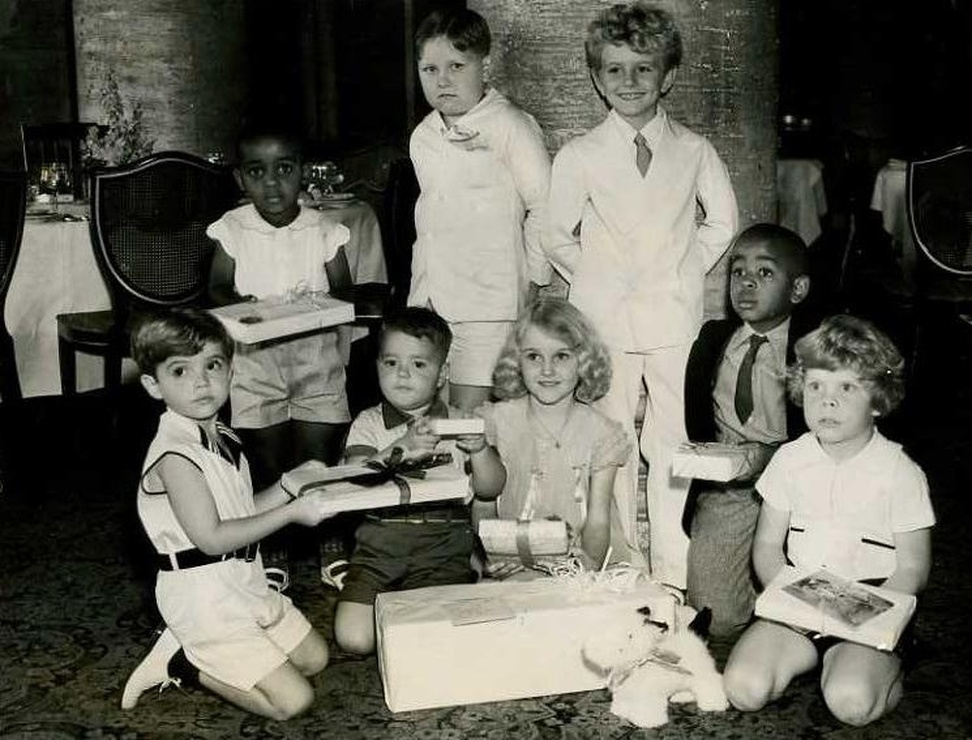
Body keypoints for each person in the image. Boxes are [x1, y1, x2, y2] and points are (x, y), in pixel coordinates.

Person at [544, 1, 738, 587]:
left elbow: (722, 223)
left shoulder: (694, 150)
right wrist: (599, 276)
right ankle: (620, 563)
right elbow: (555, 234)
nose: (629, 81)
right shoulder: (580, 154)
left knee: (674, 438)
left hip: (674, 320)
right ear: (597, 79)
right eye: (615, 70)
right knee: (610, 437)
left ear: (667, 76)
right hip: (605, 321)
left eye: (643, 68)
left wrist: (682, 270)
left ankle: (674, 569)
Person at [120, 309, 337, 719]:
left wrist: (290, 483)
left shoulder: (220, 435)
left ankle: (204, 648)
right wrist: (292, 512)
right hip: (202, 595)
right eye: (180, 371)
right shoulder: (175, 456)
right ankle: (181, 663)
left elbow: (241, 513)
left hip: (241, 580)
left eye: (213, 365)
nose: (201, 382)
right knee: (293, 701)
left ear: (231, 371)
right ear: (153, 385)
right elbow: (213, 538)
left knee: (314, 659)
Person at [722, 315, 935, 727]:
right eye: (816, 386)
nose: (827, 401)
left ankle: (882, 665)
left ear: (878, 400)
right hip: (801, 597)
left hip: (873, 603)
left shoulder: (900, 472)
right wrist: (790, 597)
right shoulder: (789, 460)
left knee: (851, 703)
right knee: (743, 689)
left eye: (846, 388)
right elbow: (767, 546)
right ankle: (812, 658)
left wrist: (861, 615)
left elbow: (913, 568)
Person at [207, 122, 354, 586]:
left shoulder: (323, 229)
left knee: (319, 455)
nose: (272, 184)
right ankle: (275, 548)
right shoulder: (233, 228)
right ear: (240, 178)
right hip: (255, 358)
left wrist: (316, 302)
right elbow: (216, 287)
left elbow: (345, 289)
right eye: (257, 172)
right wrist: (241, 305)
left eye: (284, 169)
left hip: (316, 357)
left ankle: (330, 541)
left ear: (303, 172)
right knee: (268, 459)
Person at [333, 306, 506, 655]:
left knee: (440, 639)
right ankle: (399, 612)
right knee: (353, 639)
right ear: (377, 365)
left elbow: (491, 488)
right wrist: (400, 447)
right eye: (391, 362)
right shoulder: (368, 423)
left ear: (442, 374)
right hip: (378, 547)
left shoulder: (461, 421)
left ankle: (417, 610)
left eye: (418, 364)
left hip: (441, 546)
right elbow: (352, 480)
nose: (402, 374)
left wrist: (480, 450)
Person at [408, 7, 552, 411]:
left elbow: (544, 206)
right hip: (431, 299)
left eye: (456, 66)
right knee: (431, 411)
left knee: (469, 417)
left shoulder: (511, 125)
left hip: (488, 304)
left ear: (484, 66)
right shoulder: (423, 136)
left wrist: (532, 283)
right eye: (430, 69)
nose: (443, 80)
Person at [682, 224, 816, 638]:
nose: (747, 283)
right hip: (733, 489)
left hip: (799, 489)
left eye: (765, 273)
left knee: (809, 597)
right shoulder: (713, 340)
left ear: (797, 289)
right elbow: (697, 417)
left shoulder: (813, 350)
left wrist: (772, 457)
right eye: (738, 271)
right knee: (715, 618)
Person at [476, 297, 630, 572]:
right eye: (534, 356)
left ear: (583, 361)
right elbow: (484, 505)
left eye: (561, 356)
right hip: (511, 562)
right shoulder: (497, 422)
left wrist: (588, 564)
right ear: (517, 361)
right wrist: (491, 555)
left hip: (576, 563)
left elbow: (598, 519)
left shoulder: (601, 432)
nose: (547, 370)